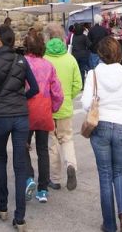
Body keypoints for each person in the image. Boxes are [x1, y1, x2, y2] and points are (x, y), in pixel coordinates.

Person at [0, 24, 39, 231]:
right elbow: (34, 87)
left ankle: (4, 206)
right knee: (20, 163)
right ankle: (20, 217)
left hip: (2, 116)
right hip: (21, 116)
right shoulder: (21, 60)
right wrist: (21, 98)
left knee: (0, 159)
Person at [81, 36, 122, 232]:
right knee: (119, 172)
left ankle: (109, 224)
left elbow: (87, 103)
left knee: (105, 174)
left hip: (101, 125)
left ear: (100, 55)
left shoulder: (94, 74)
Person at [23, 32, 63, 204]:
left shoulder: (22, 64)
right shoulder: (49, 65)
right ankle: (43, 189)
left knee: (23, 147)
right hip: (44, 111)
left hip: (25, 111)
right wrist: (52, 109)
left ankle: (29, 177)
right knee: (42, 150)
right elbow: (58, 93)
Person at [44, 27, 82, 192]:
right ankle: (71, 165)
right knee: (67, 139)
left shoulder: (44, 59)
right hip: (65, 106)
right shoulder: (70, 59)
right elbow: (77, 85)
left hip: (48, 108)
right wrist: (68, 97)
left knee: (51, 144)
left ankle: (55, 178)